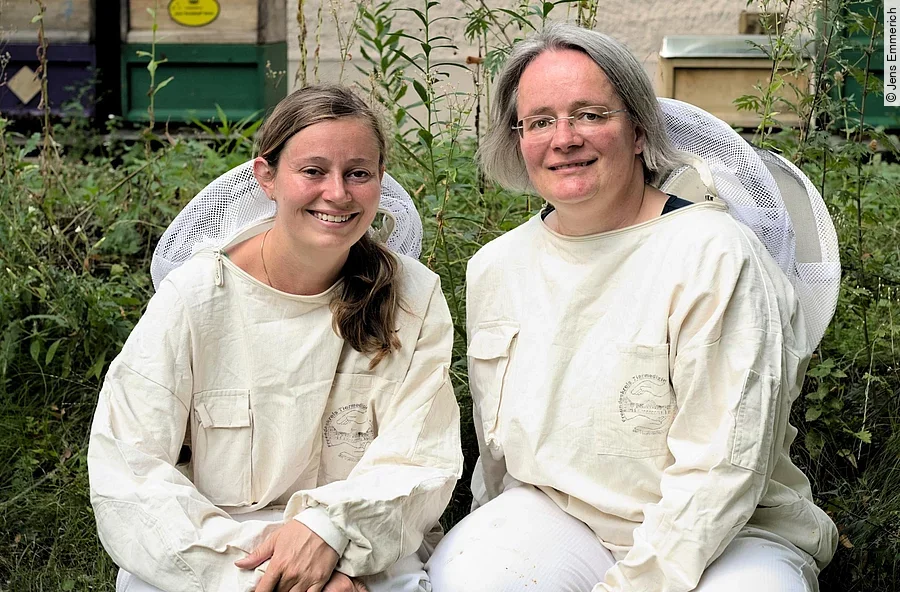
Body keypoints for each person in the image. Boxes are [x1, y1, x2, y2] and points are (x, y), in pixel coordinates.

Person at [426, 23, 837, 592]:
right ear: (517, 139)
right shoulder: (497, 266)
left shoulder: (714, 252)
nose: (564, 138)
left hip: (729, 530)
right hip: (559, 514)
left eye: (591, 114)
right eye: (540, 121)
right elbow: (498, 450)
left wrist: (636, 584)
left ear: (640, 130)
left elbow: (725, 464)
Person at [88, 85, 463, 592]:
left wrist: (329, 533)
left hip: (361, 539)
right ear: (266, 176)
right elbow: (128, 469)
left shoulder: (413, 296)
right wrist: (267, 577)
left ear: (379, 180)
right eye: (313, 171)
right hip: (212, 547)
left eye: (358, 173)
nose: (337, 192)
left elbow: (420, 459)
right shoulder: (195, 297)